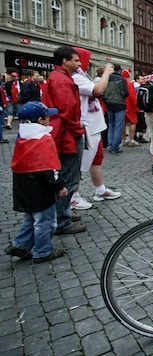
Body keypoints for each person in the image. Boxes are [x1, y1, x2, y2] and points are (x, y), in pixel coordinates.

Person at [5, 101, 67, 263]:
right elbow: (50, 166)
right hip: (40, 189)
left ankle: (20, 244)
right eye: (47, 117)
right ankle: (42, 251)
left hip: (24, 185)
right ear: (40, 120)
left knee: (30, 219)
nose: (49, 120)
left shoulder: (22, 137)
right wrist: (59, 186)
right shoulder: (43, 139)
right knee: (44, 221)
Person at [41, 45, 87, 235]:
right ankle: (62, 220)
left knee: (66, 175)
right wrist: (78, 129)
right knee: (68, 177)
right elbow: (67, 110)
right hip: (66, 135)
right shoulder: (61, 80)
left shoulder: (58, 77)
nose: (79, 63)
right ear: (64, 61)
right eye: (75, 60)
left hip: (63, 132)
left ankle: (63, 212)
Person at [71, 47, 122, 207]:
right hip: (86, 126)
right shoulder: (76, 77)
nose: (80, 63)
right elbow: (97, 89)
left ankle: (100, 190)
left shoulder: (82, 75)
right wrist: (106, 72)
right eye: (78, 60)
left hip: (94, 126)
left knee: (96, 159)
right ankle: (73, 195)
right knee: (78, 162)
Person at [103, 64, 128, 154]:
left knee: (111, 125)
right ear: (120, 70)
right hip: (120, 104)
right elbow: (126, 92)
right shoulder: (122, 80)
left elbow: (103, 90)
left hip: (109, 103)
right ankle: (115, 147)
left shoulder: (107, 78)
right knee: (118, 126)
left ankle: (110, 144)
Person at [121, 69, 140, 147]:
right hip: (130, 106)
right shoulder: (129, 84)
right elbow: (132, 96)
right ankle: (131, 140)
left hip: (121, 105)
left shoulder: (120, 82)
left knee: (123, 123)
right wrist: (136, 106)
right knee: (133, 122)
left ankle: (124, 139)